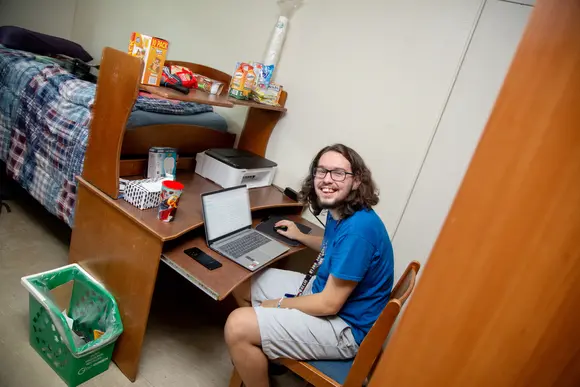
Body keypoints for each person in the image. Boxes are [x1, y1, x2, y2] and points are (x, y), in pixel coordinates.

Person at [224, 144, 394, 387]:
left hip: (345, 326)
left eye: (338, 173)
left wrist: (280, 305)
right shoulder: (343, 210)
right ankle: (264, 355)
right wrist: (301, 237)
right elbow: (335, 247)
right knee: (241, 283)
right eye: (321, 171)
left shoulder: (360, 230)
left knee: (237, 326)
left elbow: (329, 304)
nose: (327, 179)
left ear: (356, 181)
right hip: (327, 294)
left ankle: (254, 352)